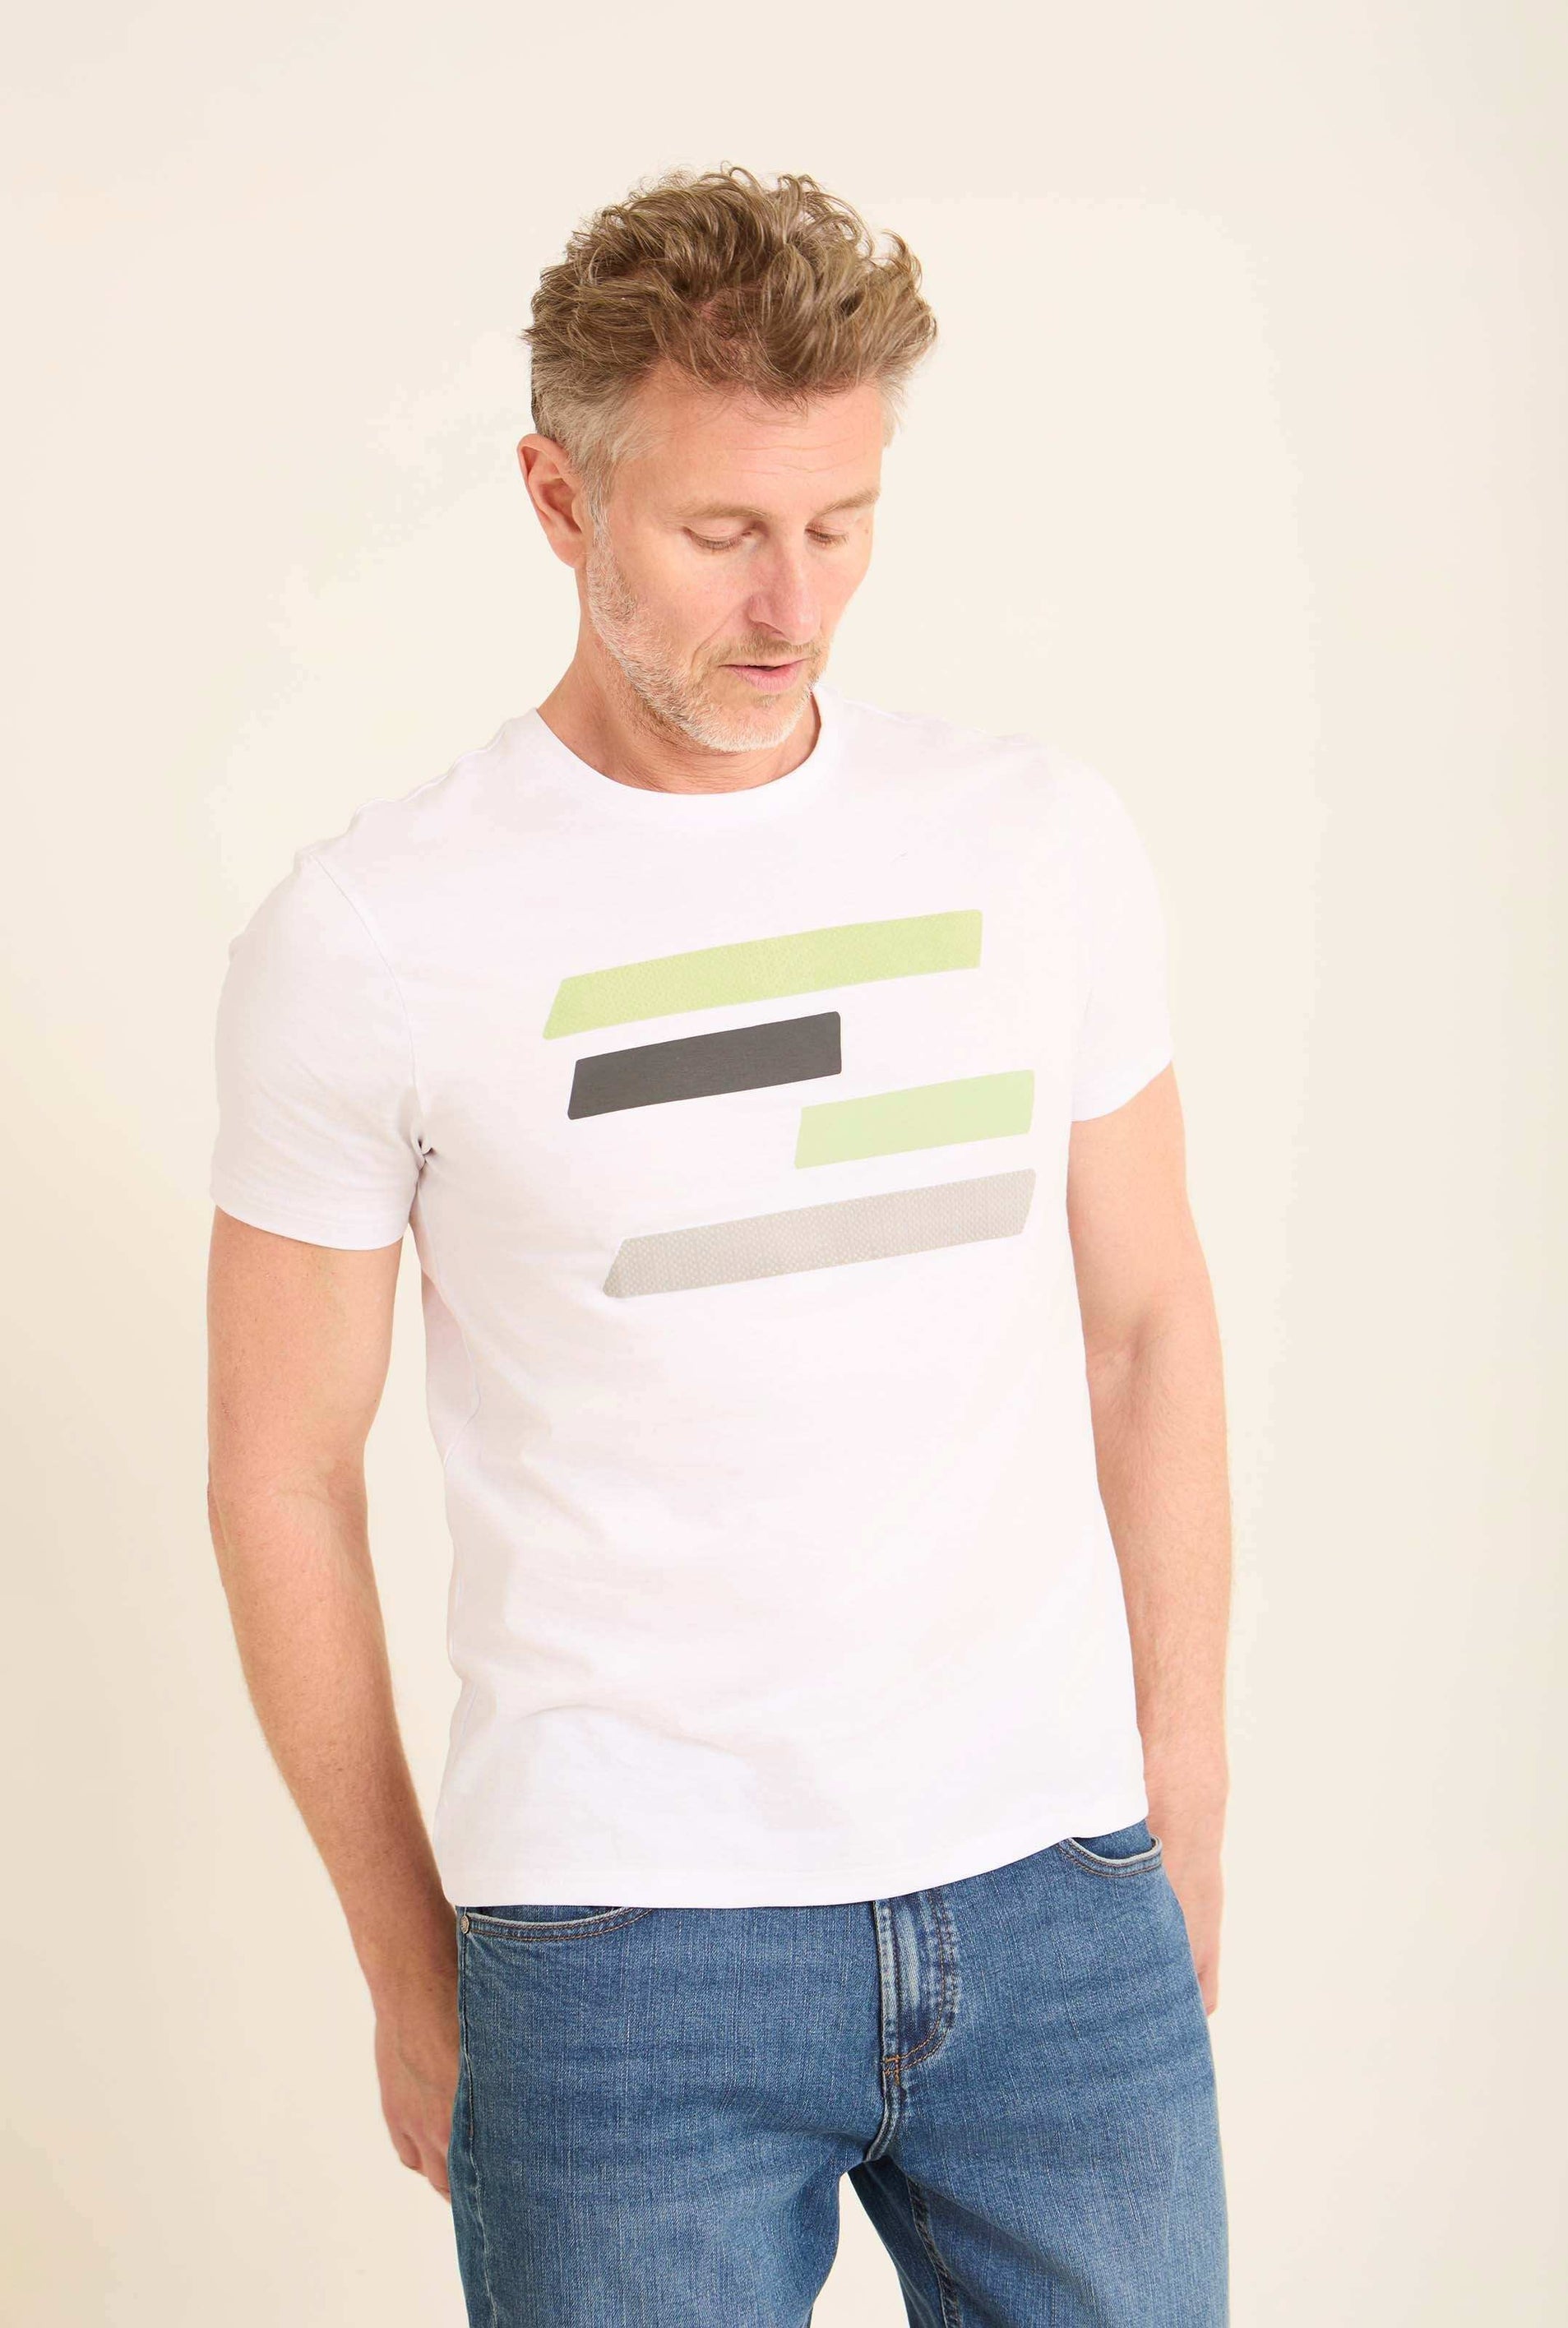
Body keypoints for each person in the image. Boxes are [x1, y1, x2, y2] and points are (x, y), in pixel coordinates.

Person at [206, 163, 1232, 2326]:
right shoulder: (376, 934)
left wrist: (1177, 1802)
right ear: (559, 500)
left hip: (1054, 1891)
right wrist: (407, 1962)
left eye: (840, 526)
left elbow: (1144, 1325)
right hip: (623, 1948)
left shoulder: (1037, 844)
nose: (791, 606)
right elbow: (280, 1471)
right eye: (722, 533)